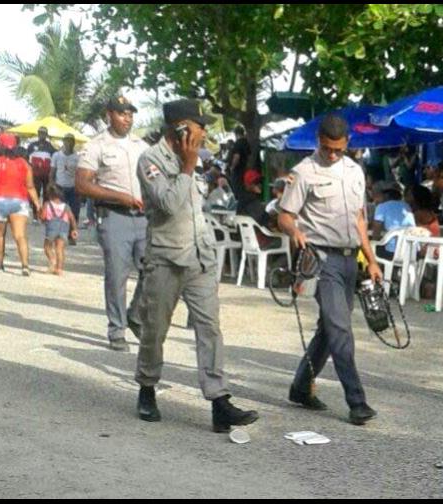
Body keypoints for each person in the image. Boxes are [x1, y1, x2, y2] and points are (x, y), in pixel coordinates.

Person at [134, 98, 259, 432]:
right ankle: (147, 388)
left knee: (210, 329)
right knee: (155, 330)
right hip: (165, 258)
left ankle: (219, 401)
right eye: (199, 124)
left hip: (199, 256)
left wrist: (193, 165)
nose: (204, 130)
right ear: (180, 128)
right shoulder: (151, 160)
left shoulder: (197, 159)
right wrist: (188, 166)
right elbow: (170, 203)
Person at [278, 114, 383, 426]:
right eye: (326, 149)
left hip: (351, 258)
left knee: (329, 328)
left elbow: (359, 220)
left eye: (338, 149)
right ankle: (357, 401)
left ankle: (300, 386)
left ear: (347, 144)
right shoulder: (304, 172)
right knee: (340, 329)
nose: (332, 155)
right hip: (321, 259)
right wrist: (294, 232)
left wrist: (371, 258)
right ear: (318, 142)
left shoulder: (354, 171)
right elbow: (285, 215)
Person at [76, 95, 149, 352]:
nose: (127, 118)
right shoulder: (96, 146)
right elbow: (82, 184)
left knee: (153, 270)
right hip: (114, 215)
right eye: (121, 113)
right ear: (109, 114)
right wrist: (120, 196)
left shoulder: (141, 145)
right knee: (117, 275)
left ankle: (136, 315)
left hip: (143, 216)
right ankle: (117, 329)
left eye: (130, 114)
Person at [0, 133, 42, 276]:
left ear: (1, 146)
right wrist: (37, 203)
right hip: (19, 201)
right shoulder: (24, 164)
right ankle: (25, 266)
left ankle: (0, 264)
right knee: (20, 235)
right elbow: (30, 187)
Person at [51, 133, 82, 245]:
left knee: (74, 214)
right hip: (60, 188)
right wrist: (52, 186)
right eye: (66, 141)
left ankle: (72, 236)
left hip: (74, 188)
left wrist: (81, 188)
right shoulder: (56, 156)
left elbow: (80, 174)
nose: (68, 143)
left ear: (74, 143)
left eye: (71, 141)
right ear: (63, 142)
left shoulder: (77, 158)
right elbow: (52, 172)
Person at [371, 182, 415, 261]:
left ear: (385, 196)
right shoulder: (406, 206)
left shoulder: (381, 207)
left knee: (372, 248)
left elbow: (376, 233)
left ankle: (378, 271)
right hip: (411, 250)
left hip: (394, 252)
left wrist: (372, 243)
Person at [40, 184, 78, 275]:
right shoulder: (66, 206)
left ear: (49, 194)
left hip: (51, 230)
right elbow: (72, 218)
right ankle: (59, 269)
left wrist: (41, 217)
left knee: (47, 247)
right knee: (60, 249)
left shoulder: (47, 204)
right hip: (63, 230)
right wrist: (74, 230)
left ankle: (52, 260)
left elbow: (43, 217)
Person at [27, 126, 57, 203]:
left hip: (46, 175)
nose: (42, 134)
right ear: (38, 134)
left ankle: (44, 211)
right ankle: (35, 211)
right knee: (35, 192)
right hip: (35, 174)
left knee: (46, 194)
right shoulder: (32, 145)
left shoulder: (50, 146)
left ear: (46, 134)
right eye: (40, 133)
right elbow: (26, 157)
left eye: (43, 133)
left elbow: (55, 157)